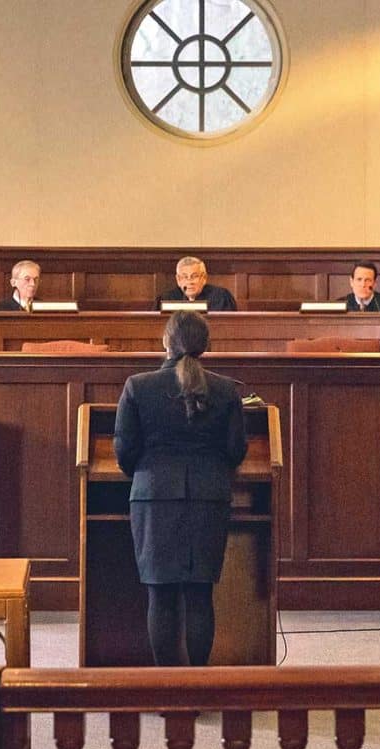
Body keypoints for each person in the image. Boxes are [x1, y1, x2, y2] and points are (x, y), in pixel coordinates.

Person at [113, 311, 247, 666]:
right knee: (200, 594)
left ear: (165, 343)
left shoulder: (138, 386)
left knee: (161, 595)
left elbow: (124, 449)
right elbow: (236, 450)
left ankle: (166, 688)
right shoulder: (225, 389)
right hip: (209, 497)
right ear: (206, 345)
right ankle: (198, 686)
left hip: (154, 497)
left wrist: (144, 472)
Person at [159, 256, 237, 311]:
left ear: (204, 278)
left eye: (194, 276)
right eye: (185, 277)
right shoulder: (167, 298)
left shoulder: (221, 297)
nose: (190, 282)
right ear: (178, 280)